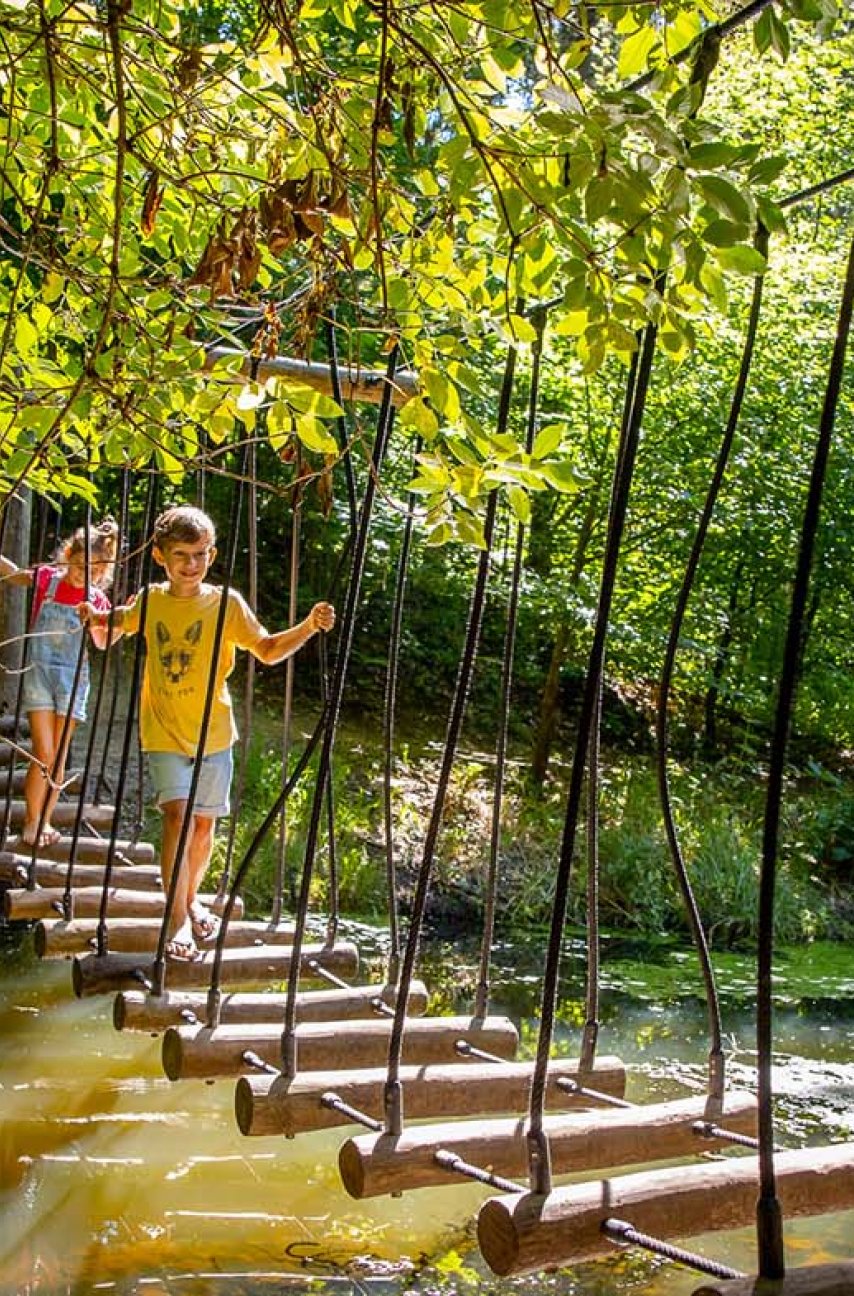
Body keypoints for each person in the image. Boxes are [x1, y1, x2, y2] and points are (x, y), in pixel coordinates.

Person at [80, 504, 335, 961]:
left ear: (212, 556)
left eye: (199, 554)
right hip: (162, 729)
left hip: (215, 734)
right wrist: (95, 616)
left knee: (202, 828)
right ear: (160, 556)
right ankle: (177, 920)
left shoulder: (226, 604)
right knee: (177, 817)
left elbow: (269, 650)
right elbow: (115, 624)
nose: (191, 564)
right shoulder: (151, 600)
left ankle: (192, 897)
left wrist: (309, 626)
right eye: (181, 554)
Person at [0, 518, 118, 847]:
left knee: (59, 755)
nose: (84, 577)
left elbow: (103, 641)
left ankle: (44, 821)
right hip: (40, 675)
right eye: (80, 567)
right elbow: (12, 573)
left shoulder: (96, 600)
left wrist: (106, 620)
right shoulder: (47, 580)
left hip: (73, 681)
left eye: (93, 573)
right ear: (69, 555)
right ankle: (32, 820)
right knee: (43, 751)